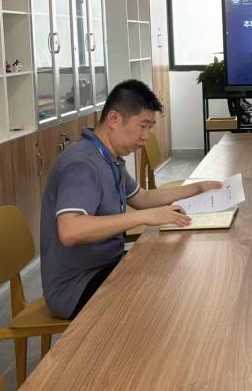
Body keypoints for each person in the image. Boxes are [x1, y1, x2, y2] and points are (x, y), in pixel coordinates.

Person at [40, 79, 222, 320]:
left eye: (150, 127)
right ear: (114, 119)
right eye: (142, 126)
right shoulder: (82, 164)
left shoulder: (107, 156)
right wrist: (143, 217)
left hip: (106, 264)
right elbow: (70, 230)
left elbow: (142, 198)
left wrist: (197, 188)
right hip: (76, 286)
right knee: (165, 293)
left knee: (172, 270)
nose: (146, 136)